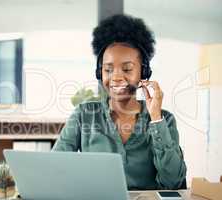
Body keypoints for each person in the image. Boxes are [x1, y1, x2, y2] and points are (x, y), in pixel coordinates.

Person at [52, 14, 187, 190]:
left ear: (143, 72)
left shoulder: (164, 120)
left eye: (127, 69)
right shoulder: (83, 115)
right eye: (108, 69)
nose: (115, 77)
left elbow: (174, 182)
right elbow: (55, 169)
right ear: (100, 73)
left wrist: (155, 119)